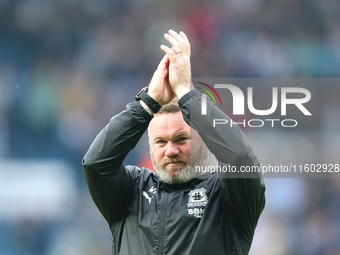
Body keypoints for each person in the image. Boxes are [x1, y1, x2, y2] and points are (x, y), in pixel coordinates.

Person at [82, 29, 265, 255]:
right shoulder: (130, 192)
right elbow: (95, 164)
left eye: (181, 139)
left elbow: (239, 159)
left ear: (206, 141)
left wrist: (188, 96)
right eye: (160, 142)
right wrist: (146, 104)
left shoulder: (229, 197)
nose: (170, 151)